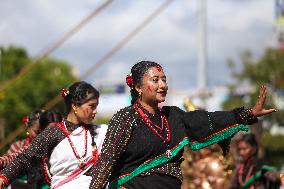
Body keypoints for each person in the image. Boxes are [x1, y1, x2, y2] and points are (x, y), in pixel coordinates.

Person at [88, 60, 276, 189]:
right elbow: (106, 161)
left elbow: (209, 120)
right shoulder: (125, 118)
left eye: (164, 80)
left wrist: (248, 114)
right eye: (155, 80)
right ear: (137, 87)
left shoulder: (174, 116)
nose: (162, 85)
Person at [0, 81, 108, 189]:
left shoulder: (101, 132)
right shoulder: (53, 134)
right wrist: (3, 178)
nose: (95, 111)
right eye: (92, 106)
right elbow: (25, 158)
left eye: (96, 106)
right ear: (75, 105)